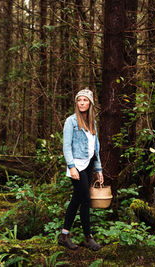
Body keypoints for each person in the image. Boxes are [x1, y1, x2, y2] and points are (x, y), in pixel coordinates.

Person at [58, 88, 104, 251]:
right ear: (76, 103)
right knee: (82, 198)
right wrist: (71, 167)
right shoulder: (71, 121)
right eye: (79, 100)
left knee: (82, 199)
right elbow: (66, 146)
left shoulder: (93, 122)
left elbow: (95, 147)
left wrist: (98, 169)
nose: (82, 103)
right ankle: (78, 236)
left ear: (90, 102)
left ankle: (74, 236)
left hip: (90, 163)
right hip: (77, 165)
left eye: (85, 100)